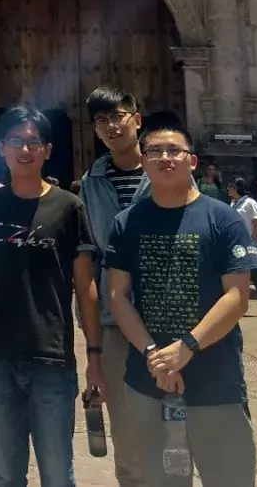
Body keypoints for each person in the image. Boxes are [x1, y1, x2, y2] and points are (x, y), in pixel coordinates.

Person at [103, 118, 257, 487]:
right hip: (148, 379)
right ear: (144, 163)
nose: (164, 158)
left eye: (174, 150)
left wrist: (186, 348)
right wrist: (155, 354)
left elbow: (237, 297)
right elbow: (117, 296)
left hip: (215, 379)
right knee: (161, 480)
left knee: (229, 477)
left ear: (192, 161)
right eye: (155, 152)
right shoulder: (127, 222)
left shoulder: (223, 219)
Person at [0, 106, 102, 487]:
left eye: (33, 142)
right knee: (7, 473)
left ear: (46, 150)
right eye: (16, 141)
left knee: (57, 472)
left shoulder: (69, 207)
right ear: (2, 148)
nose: (24, 149)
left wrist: (94, 356)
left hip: (52, 359)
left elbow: (85, 287)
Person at [76, 86, 150, 487]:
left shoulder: (166, 169)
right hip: (112, 317)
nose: (111, 127)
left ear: (137, 119)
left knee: (176, 420)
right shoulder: (92, 181)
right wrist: (92, 342)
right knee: (125, 426)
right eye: (101, 121)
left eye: (118, 116)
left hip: (164, 311)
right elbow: (89, 256)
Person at [226, 180, 257, 318]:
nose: (229, 189)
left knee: (256, 276)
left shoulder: (250, 203)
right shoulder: (233, 203)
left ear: (238, 189)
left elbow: (256, 223)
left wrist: (253, 241)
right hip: (234, 242)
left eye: (231, 187)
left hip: (248, 242)